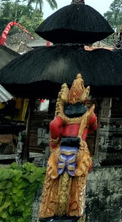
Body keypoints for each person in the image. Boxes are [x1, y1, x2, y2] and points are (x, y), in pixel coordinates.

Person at [38, 74, 98, 222]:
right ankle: (75, 212)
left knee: (53, 183)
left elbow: (53, 125)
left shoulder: (62, 114)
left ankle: (48, 211)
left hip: (60, 149)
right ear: (84, 97)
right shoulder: (88, 115)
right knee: (77, 185)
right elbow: (94, 126)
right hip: (79, 150)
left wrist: (54, 143)